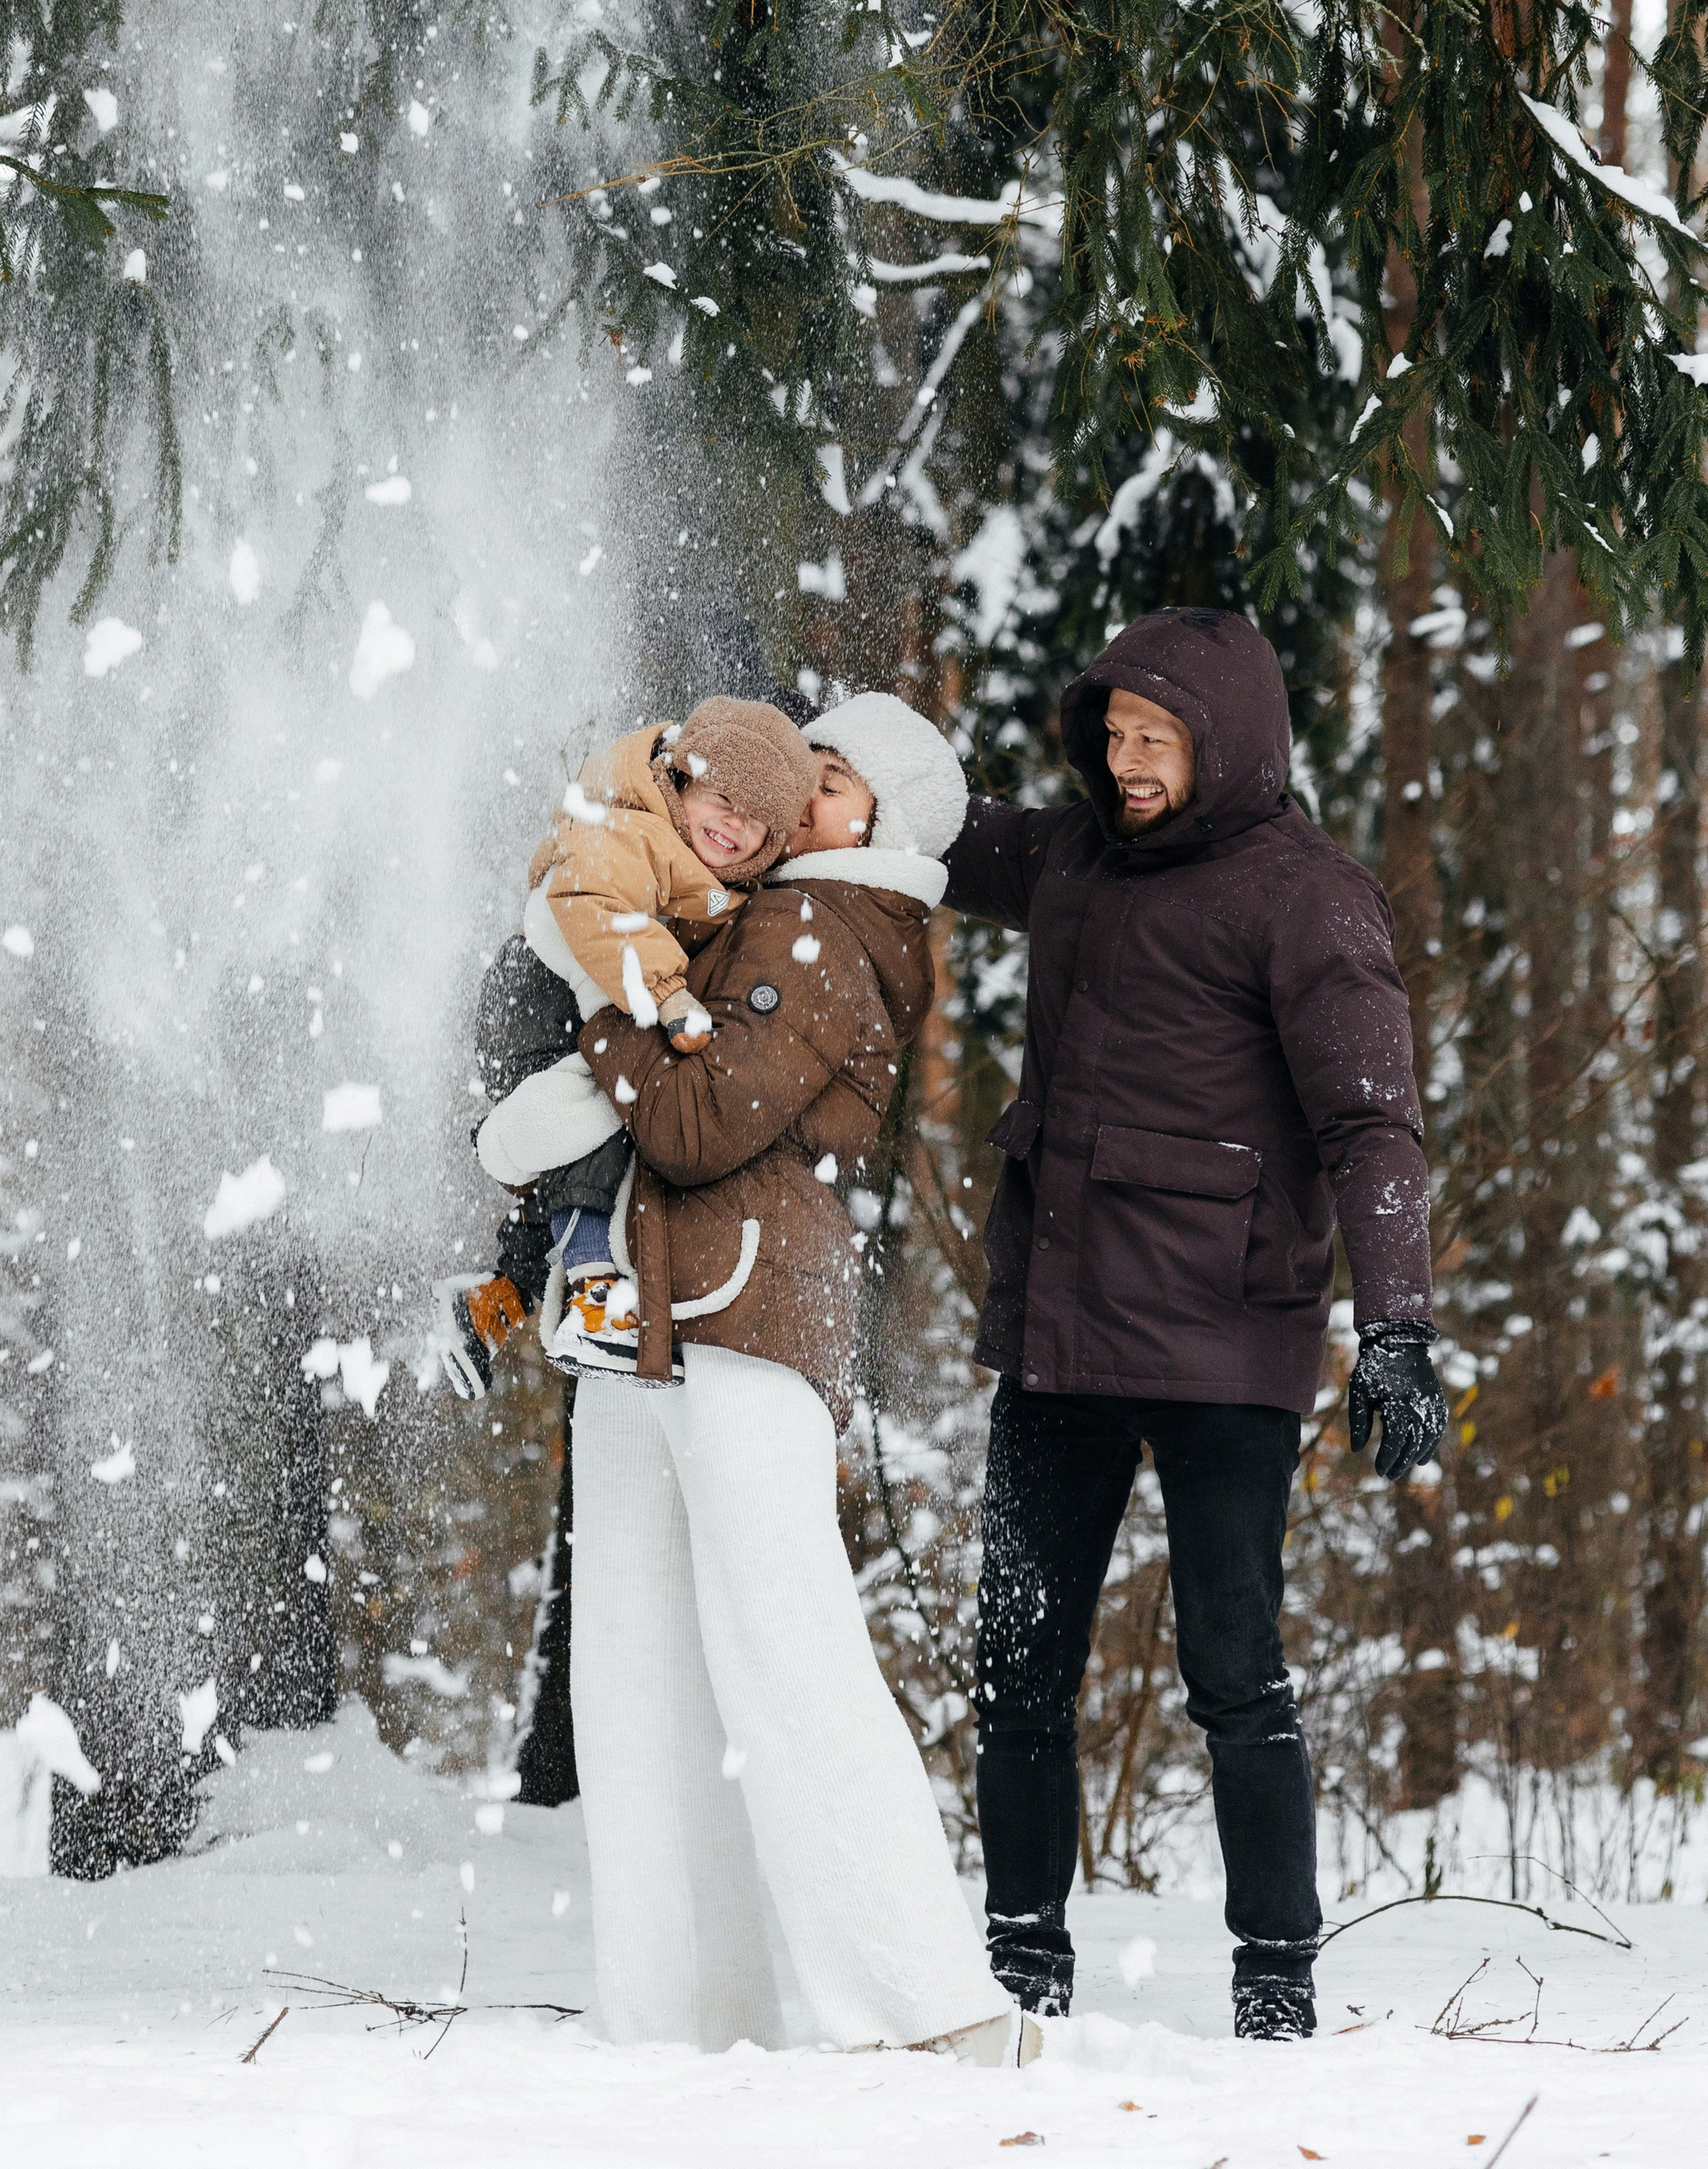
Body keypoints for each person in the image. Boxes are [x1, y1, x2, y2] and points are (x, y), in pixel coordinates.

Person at [947, 610, 1446, 2043]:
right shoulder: (1073, 859)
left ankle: (1276, 1980)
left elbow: (1373, 1128)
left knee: (1234, 1666)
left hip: (1228, 1341)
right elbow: (930, 831)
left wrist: (1395, 1325)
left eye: (1151, 740)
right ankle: (1021, 1960)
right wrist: (807, 754)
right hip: (1061, 1333)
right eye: (1110, 738)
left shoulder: (1309, 898)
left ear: (1224, 743)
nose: (1124, 764)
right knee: (1021, 1657)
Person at [566, 692, 1042, 2060]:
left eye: (827, 783)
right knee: (640, 1671)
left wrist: (602, 1010)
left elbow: (703, 1118)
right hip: (660, 1315)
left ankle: (926, 2004)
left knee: (789, 1652)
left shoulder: (818, 923)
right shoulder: (758, 907)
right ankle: (676, 2013)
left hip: (741, 1307)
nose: (792, 802)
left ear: (876, 825)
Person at [443, 696, 819, 1378]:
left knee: (575, 1158)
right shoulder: (634, 828)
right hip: (541, 1001)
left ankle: (495, 1299)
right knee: (611, 1122)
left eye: (756, 819)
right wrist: (670, 995)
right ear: (680, 778)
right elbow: (592, 902)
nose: (734, 825)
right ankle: (594, 1297)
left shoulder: (716, 870)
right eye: (723, 798)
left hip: (582, 1003)